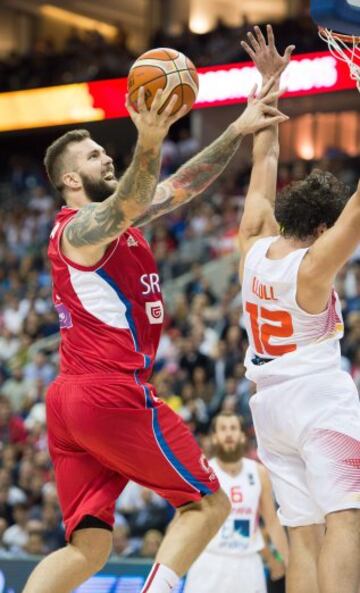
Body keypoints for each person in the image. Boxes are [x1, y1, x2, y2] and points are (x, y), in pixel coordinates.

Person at [21, 69, 288, 593]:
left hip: (71, 401)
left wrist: (238, 128)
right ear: (71, 181)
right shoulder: (80, 231)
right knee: (209, 503)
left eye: (104, 150)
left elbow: (178, 186)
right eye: (95, 155)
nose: (106, 158)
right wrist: (150, 133)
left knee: (89, 547)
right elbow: (132, 198)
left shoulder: (116, 223)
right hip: (108, 393)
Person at [239, 25, 360, 593]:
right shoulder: (312, 268)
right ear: (319, 227)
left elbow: (264, 155)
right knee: (346, 520)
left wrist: (269, 84)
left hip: (269, 409)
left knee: (303, 534)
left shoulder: (253, 244)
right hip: (316, 399)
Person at [184, 411, 288, 593]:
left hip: (248, 564)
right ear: (215, 438)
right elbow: (185, 521)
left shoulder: (259, 473)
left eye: (233, 428)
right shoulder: (201, 473)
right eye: (223, 429)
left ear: (242, 436)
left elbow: (272, 523)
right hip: (209, 560)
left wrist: (286, 560)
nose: (229, 433)